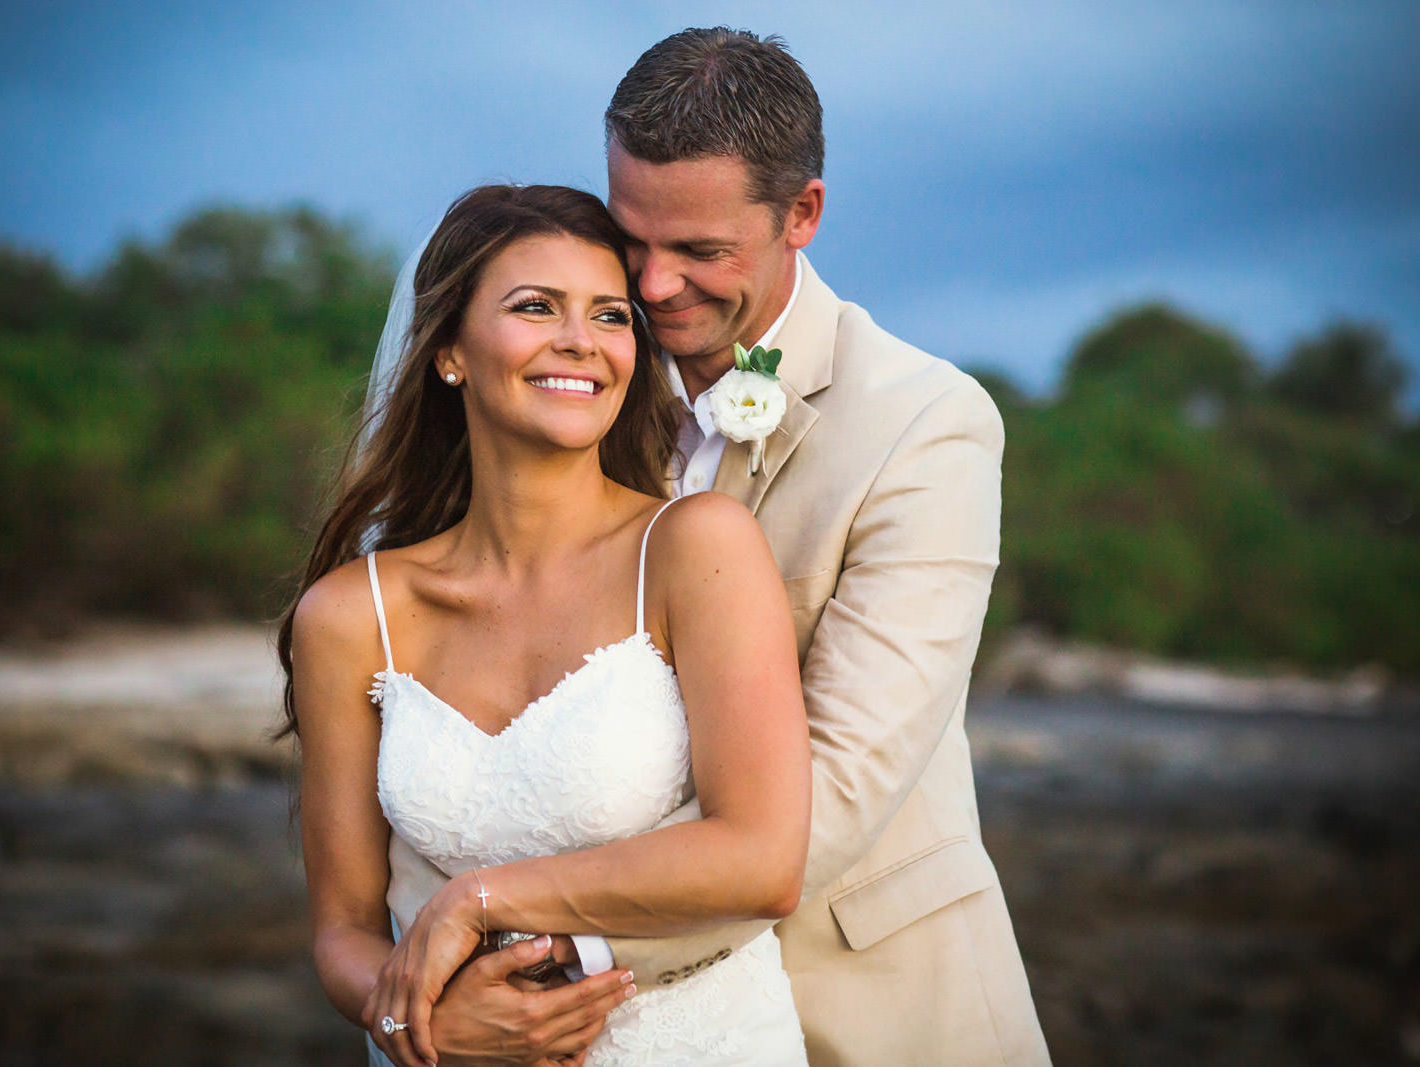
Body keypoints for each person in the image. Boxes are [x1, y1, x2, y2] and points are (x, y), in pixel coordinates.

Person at [385, 28, 1052, 1066]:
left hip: (872, 1008)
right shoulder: (574, 385)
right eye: (630, 237)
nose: (650, 288)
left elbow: (831, 791)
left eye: (699, 251)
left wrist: (526, 949)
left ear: (803, 215)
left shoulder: (927, 426)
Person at [276, 183, 814, 1067]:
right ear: (448, 349)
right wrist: (421, 1025)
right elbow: (342, 929)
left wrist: (476, 899)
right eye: (536, 307)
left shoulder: (693, 547)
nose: (581, 341)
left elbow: (763, 858)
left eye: (609, 315)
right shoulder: (349, 615)